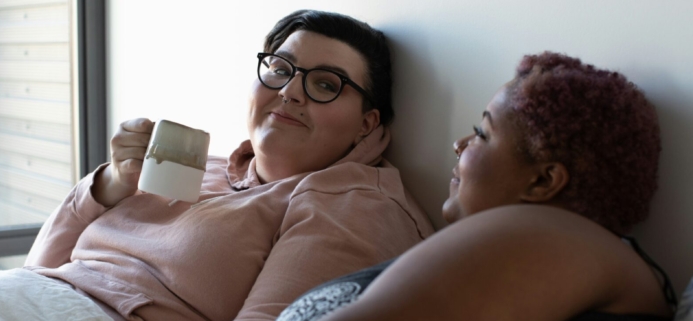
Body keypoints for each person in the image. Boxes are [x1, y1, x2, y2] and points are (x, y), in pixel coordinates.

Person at [0, 10, 433, 321]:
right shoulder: (207, 166)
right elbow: (41, 269)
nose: (289, 92)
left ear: (367, 123)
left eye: (324, 84)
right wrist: (110, 185)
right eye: (281, 68)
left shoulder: (349, 202)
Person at [277, 52, 676, 321]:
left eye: (480, 133)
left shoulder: (547, 234)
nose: (459, 145)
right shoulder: (564, 248)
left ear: (542, 181)